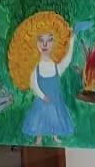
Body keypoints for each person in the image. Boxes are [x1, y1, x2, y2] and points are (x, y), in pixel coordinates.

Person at [7, 11, 76, 146]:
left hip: (55, 100)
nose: (45, 44)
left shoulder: (56, 66)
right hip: (42, 100)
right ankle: (39, 138)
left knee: (55, 117)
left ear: (55, 42)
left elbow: (67, 60)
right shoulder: (36, 68)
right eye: (41, 40)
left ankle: (55, 136)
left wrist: (72, 41)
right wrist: (42, 96)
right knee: (40, 118)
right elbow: (34, 84)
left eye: (49, 40)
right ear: (34, 42)